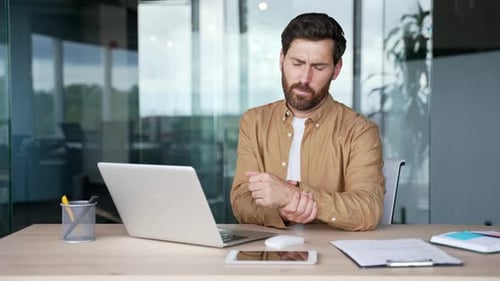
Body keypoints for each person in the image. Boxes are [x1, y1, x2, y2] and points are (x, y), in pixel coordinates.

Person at [230, 13, 384, 231]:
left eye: (319, 67)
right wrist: (282, 210)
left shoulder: (360, 131)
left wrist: (293, 196)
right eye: (297, 63)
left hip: (333, 254)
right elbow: (241, 200)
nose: (304, 78)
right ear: (282, 60)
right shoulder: (254, 122)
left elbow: (368, 209)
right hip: (268, 252)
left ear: (336, 69)